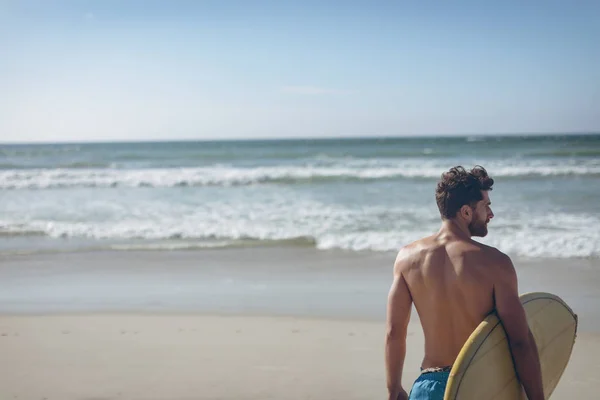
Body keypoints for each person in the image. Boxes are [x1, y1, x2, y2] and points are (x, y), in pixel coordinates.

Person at [385, 166, 544, 400]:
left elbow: (394, 332)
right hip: (478, 385)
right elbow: (520, 341)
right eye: (486, 206)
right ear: (466, 212)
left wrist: (393, 388)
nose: (491, 214)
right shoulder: (495, 263)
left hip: (428, 387)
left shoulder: (406, 258)